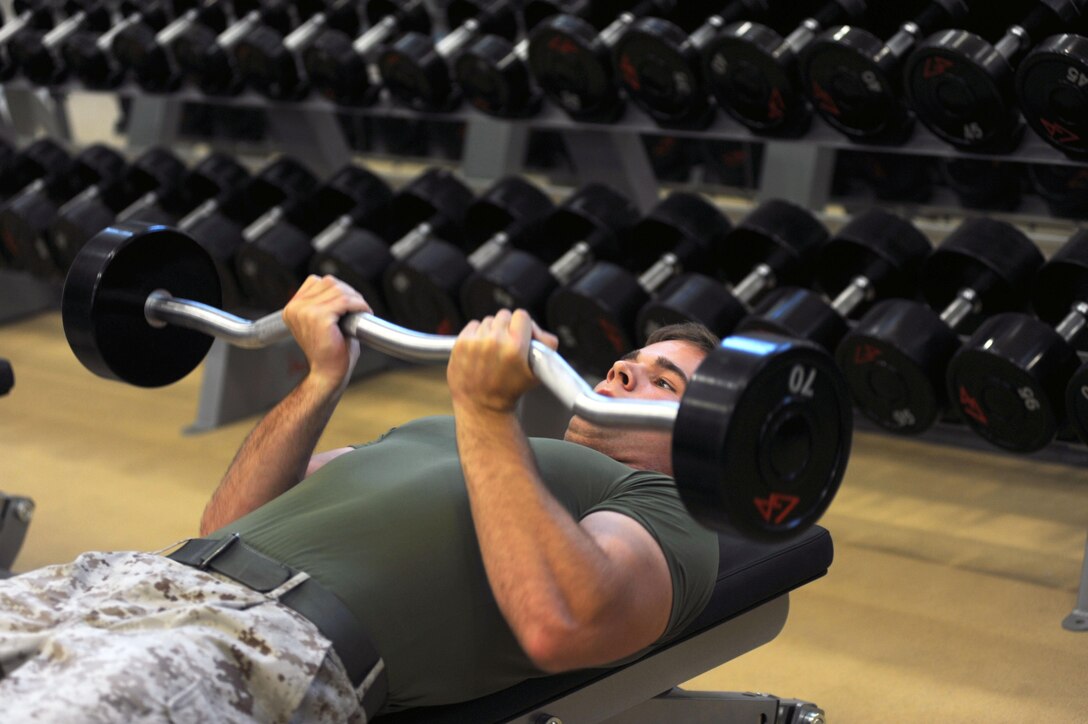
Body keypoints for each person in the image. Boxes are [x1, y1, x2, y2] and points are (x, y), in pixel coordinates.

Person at [0, 275, 721, 722]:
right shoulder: (452, 432)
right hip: (133, 579)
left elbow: (562, 625)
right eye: (627, 365)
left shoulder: (669, 509)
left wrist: (486, 414)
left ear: (713, 440)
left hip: (267, 648)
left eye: (665, 382)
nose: (624, 373)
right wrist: (321, 379)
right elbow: (228, 520)